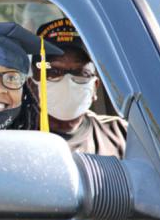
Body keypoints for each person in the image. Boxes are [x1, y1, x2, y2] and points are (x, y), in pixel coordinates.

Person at [29, 17, 127, 158]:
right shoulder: (16, 137)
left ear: (94, 87)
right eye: (53, 72)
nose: (68, 81)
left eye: (81, 72)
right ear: (32, 85)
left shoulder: (121, 135)